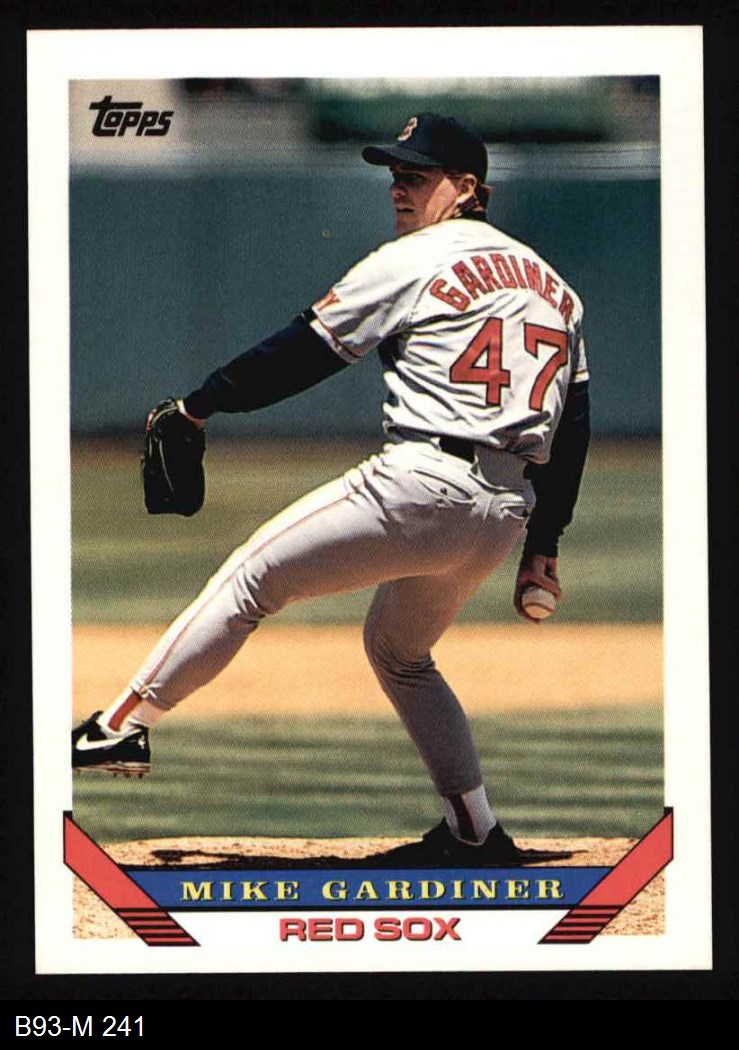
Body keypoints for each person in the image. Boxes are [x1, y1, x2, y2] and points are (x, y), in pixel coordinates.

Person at [73, 113, 590, 866]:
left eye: (416, 176)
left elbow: (304, 352)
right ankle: (475, 831)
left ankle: (118, 727)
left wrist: (199, 405)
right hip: (503, 512)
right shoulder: (557, 290)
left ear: (465, 187)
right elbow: (573, 425)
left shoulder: (413, 258)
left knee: (251, 577)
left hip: (422, 484)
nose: (398, 188)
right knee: (400, 653)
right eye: (395, 175)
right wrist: (544, 543)